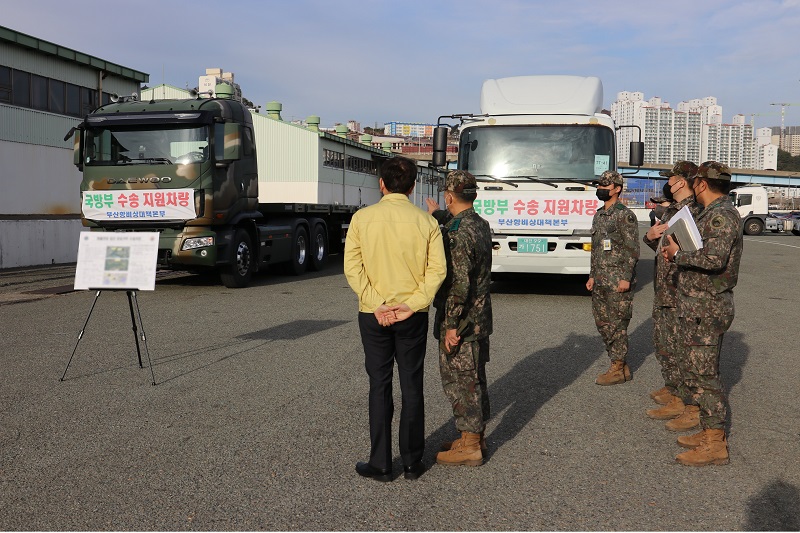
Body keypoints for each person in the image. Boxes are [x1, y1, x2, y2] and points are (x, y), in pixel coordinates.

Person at [343, 156, 447, 481]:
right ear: (413, 185)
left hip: (374, 316)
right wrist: (411, 304)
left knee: (379, 384)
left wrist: (377, 304)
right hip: (411, 315)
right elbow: (437, 271)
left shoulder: (362, 218)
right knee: (412, 385)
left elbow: (353, 268)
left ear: (381, 184)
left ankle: (381, 463)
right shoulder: (426, 222)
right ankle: (414, 462)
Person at [663, 161, 742, 466]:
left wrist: (678, 254)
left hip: (708, 306)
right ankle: (708, 429)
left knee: (706, 375)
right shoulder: (711, 213)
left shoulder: (721, 216)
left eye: (695, 181)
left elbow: (714, 258)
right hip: (696, 303)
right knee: (695, 369)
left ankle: (715, 442)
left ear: (701, 184)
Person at [424, 170, 493, 467]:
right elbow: (454, 222)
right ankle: (472, 437)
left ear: (450, 195)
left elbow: (459, 283)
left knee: (461, 381)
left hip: (462, 321)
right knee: (474, 378)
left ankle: (470, 446)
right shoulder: (479, 223)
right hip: (478, 317)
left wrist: (451, 325)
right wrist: (438, 214)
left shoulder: (457, 233)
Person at [643, 161, 702, 423]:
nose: (668, 183)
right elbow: (659, 245)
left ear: (682, 182)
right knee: (664, 343)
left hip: (682, 290)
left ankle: (684, 400)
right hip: (664, 288)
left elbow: (696, 251)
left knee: (680, 347)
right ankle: (673, 388)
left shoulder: (697, 211)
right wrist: (650, 236)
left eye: (672, 179)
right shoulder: (673, 210)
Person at [586, 170, 640, 385]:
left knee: (617, 324)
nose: (601, 190)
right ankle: (619, 364)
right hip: (600, 279)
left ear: (617, 189)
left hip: (618, 279)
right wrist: (591, 275)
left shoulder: (624, 215)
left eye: (605, 187)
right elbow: (596, 250)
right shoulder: (599, 215)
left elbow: (632, 249)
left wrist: (626, 278)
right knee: (602, 323)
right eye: (599, 186)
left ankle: (617, 367)